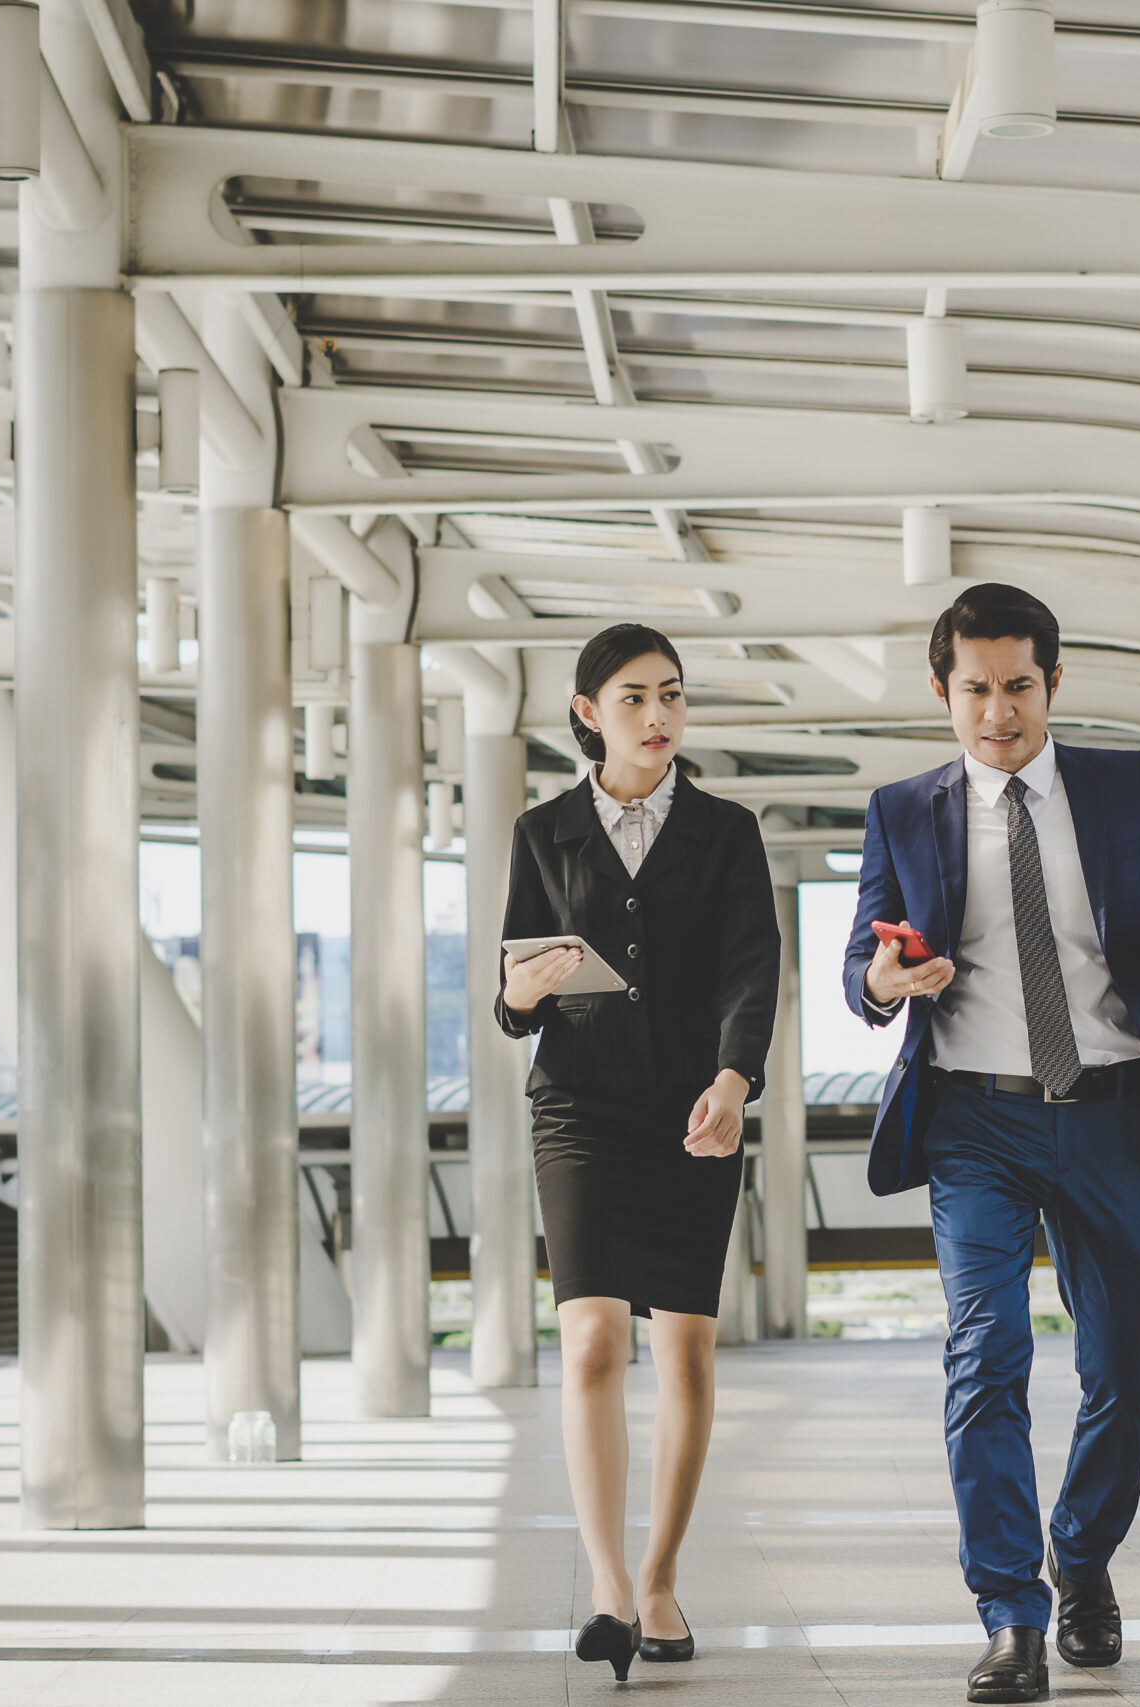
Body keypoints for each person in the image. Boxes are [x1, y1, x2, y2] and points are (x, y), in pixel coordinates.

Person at [843, 583, 1140, 1704]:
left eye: (1018, 686)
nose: (998, 712)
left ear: (1052, 683)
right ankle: (1010, 1610)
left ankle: (1083, 1552)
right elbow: (861, 964)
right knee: (986, 1357)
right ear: (943, 691)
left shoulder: (1119, 785)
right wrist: (883, 977)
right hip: (975, 1117)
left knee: (1129, 1365)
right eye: (975, 689)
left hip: (1110, 1112)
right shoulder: (903, 808)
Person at [493, 623, 780, 1682]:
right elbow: (514, 989)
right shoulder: (542, 832)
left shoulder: (726, 830)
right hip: (577, 1107)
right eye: (631, 699)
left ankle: (659, 1578)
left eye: (671, 695)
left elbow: (756, 966)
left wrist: (734, 1081)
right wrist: (519, 992)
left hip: (694, 1109)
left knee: (688, 1352)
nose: (657, 716)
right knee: (592, 1343)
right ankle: (608, 1584)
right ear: (586, 714)